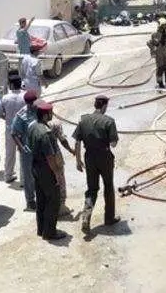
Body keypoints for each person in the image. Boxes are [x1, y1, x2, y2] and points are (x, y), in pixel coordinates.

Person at [74, 95, 120, 232]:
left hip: (89, 158)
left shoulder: (83, 120)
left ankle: (86, 216)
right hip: (105, 157)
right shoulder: (109, 121)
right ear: (104, 106)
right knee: (108, 187)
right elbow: (113, 143)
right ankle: (109, 218)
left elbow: (77, 142)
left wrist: (77, 160)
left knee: (92, 189)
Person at [26, 101, 67, 241]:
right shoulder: (46, 133)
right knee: (53, 201)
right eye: (50, 113)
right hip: (46, 170)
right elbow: (50, 157)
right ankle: (50, 232)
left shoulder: (33, 127)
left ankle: (41, 229)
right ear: (45, 115)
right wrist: (57, 174)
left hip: (35, 167)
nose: (51, 115)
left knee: (41, 199)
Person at [11, 90, 39, 211]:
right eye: (32, 103)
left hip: (39, 148)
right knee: (28, 177)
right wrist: (22, 148)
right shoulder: (21, 115)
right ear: (28, 103)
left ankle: (41, 196)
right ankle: (30, 200)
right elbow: (14, 133)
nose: (33, 104)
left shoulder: (39, 110)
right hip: (28, 150)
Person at [0, 74, 25, 184]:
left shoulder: (5, 98)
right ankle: (23, 180)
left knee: (9, 153)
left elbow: (0, 113)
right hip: (23, 129)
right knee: (23, 153)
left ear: (12, 85)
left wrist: (9, 119)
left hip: (10, 129)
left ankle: (8, 175)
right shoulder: (25, 96)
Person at [49, 120, 75, 217]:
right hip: (55, 155)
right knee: (60, 180)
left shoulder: (36, 124)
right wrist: (71, 150)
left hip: (42, 157)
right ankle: (61, 206)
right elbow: (62, 140)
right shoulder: (55, 124)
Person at [147, 18, 166, 89]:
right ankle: (160, 82)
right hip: (158, 53)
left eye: (165, 25)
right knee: (160, 68)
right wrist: (153, 49)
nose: (165, 27)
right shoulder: (154, 34)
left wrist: (165, 43)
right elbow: (149, 43)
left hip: (165, 52)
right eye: (163, 26)